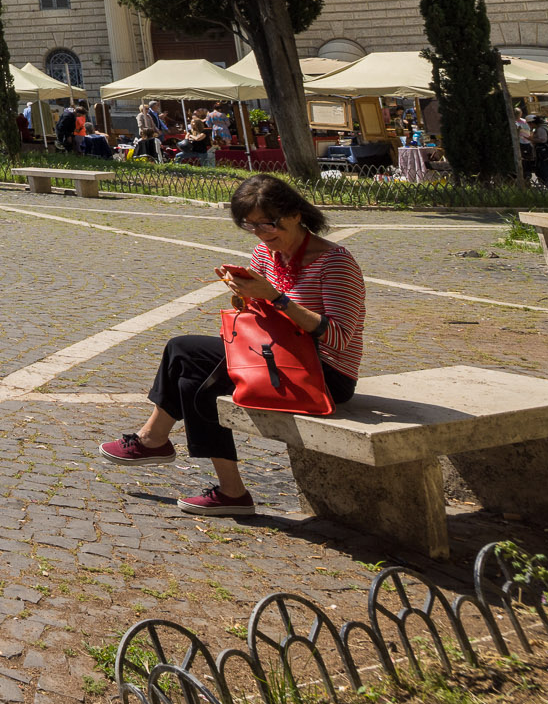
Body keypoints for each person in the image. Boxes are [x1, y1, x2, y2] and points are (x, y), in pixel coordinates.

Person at [101, 174, 364, 513]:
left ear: (296, 214)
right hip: (274, 357)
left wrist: (276, 298)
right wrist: (243, 297)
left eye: (269, 224)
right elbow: (259, 320)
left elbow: (340, 337)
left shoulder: (335, 262)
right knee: (188, 366)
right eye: (251, 226)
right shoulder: (265, 254)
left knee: (190, 364)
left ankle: (158, 442)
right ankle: (228, 491)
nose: (262, 234)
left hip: (325, 375)